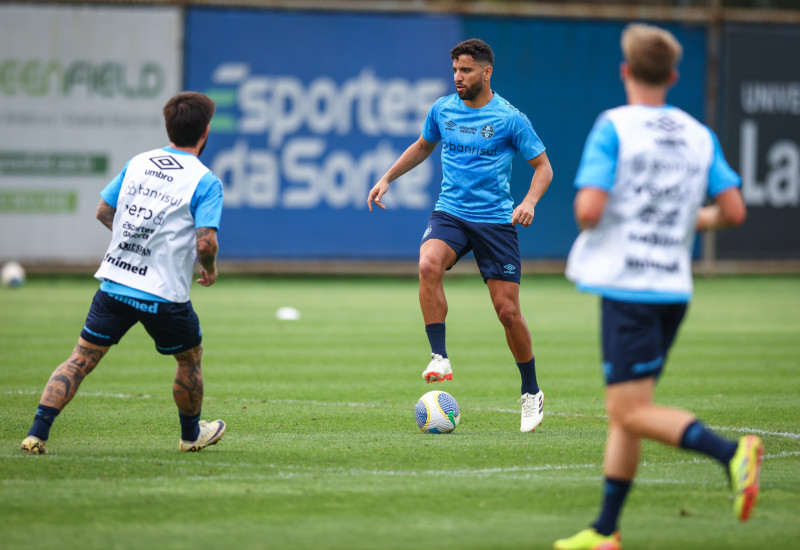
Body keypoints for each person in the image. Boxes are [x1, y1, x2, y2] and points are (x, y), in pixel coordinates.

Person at [555, 24, 763, 550]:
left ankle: (731, 454)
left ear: (625, 72)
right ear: (672, 76)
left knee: (628, 411)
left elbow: (588, 211)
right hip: (673, 287)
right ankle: (605, 531)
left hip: (628, 287)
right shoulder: (697, 133)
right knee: (629, 410)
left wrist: (622, 212)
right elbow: (734, 211)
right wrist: (680, 219)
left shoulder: (614, 127)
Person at [21, 92, 227, 455]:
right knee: (189, 358)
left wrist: (133, 243)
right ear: (206, 132)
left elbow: (103, 210)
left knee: (81, 358)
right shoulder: (205, 180)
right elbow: (206, 243)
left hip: (115, 284)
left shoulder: (139, 162)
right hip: (164, 294)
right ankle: (191, 435)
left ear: (169, 127)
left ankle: (36, 434)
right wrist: (208, 270)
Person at [367, 38, 553, 432]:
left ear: (487, 72)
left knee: (508, 312)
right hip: (451, 213)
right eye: (454, 70)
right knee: (427, 262)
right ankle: (439, 356)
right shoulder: (442, 109)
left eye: (466, 70)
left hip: (495, 221)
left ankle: (531, 391)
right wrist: (386, 178)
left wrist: (530, 202)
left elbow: (543, 168)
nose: (458, 78)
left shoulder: (509, 118)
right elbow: (422, 146)